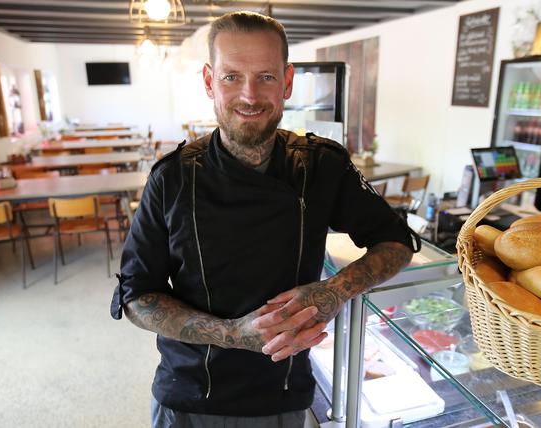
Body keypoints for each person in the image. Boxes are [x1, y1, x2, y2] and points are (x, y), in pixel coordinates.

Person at [109, 11, 420, 428]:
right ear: (208, 81)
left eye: (266, 77)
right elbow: (136, 296)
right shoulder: (173, 177)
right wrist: (234, 334)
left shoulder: (321, 166)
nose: (250, 95)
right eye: (231, 77)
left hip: (283, 390)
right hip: (190, 396)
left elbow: (397, 242)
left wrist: (333, 292)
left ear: (288, 82)